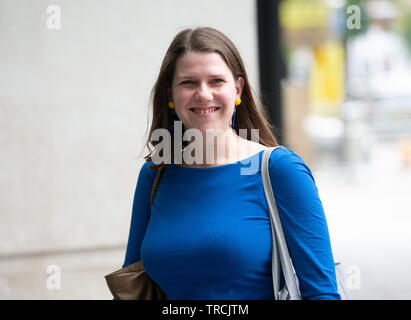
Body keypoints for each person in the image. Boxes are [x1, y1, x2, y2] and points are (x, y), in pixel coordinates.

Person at [121, 27, 341, 300]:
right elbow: (130, 287)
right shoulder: (155, 174)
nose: (203, 94)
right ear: (170, 94)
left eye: (216, 81)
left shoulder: (279, 170)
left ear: (237, 89)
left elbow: (322, 292)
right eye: (188, 83)